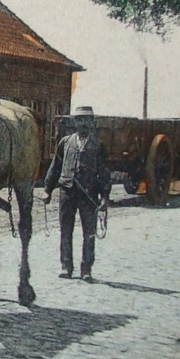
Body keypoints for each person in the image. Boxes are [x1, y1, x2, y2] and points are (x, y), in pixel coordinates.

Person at [42, 106, 111, 282]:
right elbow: (55, 167)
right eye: (80, 120)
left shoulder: (98, 145)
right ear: (75, 122)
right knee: (66, 231)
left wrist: (104, 197)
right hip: (67, 192)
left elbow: (104, 173)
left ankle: (86, 269)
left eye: (87, 120)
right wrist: (47, 190)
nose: (83, 124)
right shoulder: (65, 142)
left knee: (89, 232)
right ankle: (66, 267)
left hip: (89, 195)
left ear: (92, 123)